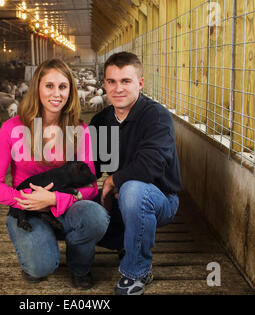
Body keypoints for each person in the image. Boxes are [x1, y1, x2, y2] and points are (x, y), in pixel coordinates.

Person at [0, 58, 109, 290]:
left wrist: (54, 200)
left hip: (67, 205)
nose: (56, 93)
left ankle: (80, 266)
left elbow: (91, 184)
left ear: (70, 91)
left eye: (63, 87)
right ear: (37, 88)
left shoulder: (79, 130)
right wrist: (27, 201)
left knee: (96, 217)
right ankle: (41, 243)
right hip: (28, 209)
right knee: (40, 268)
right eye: (49, 86)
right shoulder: (12, 128)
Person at [90, 52, 183, 295]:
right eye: (111, 81)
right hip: (119, 198)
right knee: (79, 207)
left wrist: (113, 180)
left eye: (126, 81)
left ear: (140, 83)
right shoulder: (101, 121)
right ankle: (123, 242)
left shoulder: (155, 116)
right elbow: (93, 166)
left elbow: (150, 165)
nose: (117, 88)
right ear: (104, 84)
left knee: (133, 189)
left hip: (159, 198)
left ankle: (138, 271)